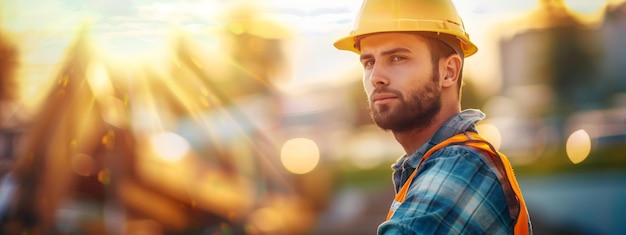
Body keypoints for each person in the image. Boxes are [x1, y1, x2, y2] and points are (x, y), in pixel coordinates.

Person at [333, 0, 532, 234]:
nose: (376, 76)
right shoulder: (425, 168)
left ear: (449, 72)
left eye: (397, 58)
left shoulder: (462, 166)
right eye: (369, 62)